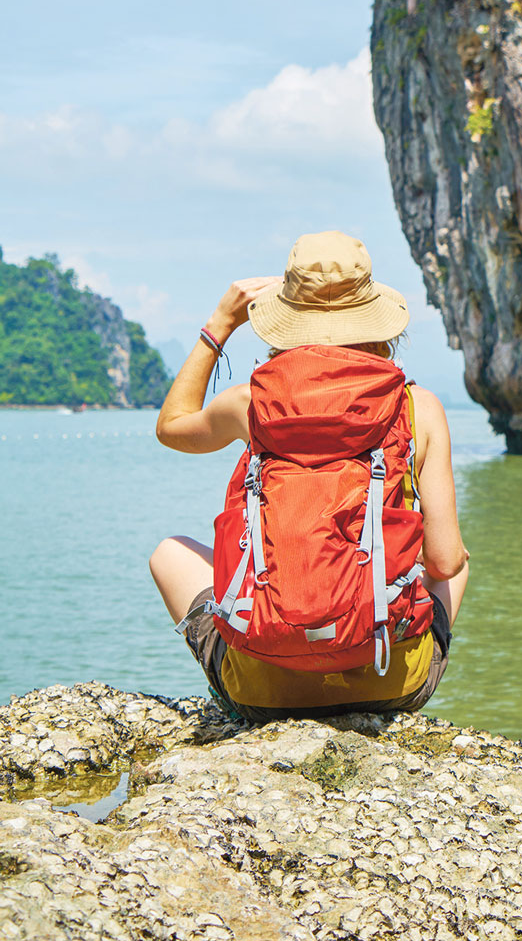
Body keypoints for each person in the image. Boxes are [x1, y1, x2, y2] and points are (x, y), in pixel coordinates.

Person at [149, 231, 469, 723]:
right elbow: (444, 564)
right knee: (461, 559)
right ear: (374, 317)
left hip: (262, 691)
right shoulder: (415, 407)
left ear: (285, 318)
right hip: (390, 680)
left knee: (168, 551)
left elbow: (171, 427)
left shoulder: (250, 404)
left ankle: (274, 662)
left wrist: (219, 326)